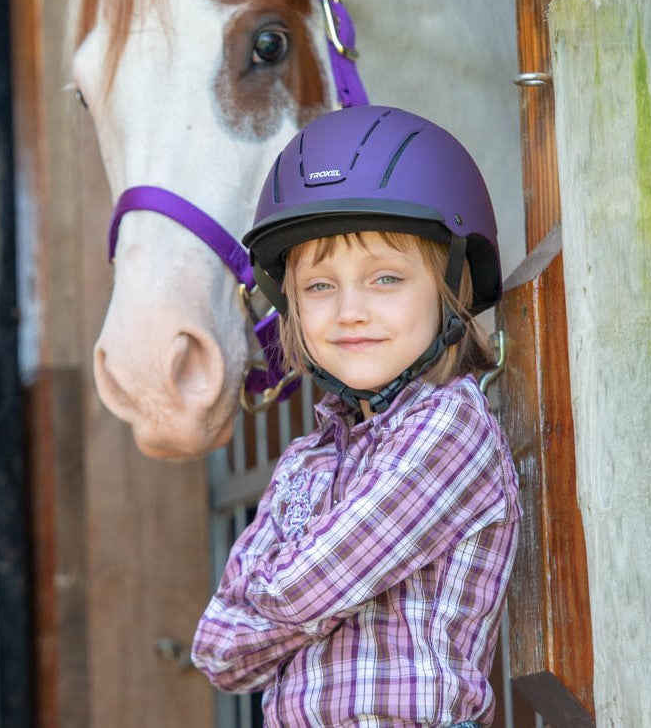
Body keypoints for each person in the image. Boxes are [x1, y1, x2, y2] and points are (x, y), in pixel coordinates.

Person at [191, 105, 521, 727]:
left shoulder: (451, 429)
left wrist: (274, 593)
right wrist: (305, 592)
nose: (350, 311)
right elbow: (217, 652)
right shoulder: (303, 463)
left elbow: (302, 587)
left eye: (386, 278)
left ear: (453, 287)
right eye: (319, 287)